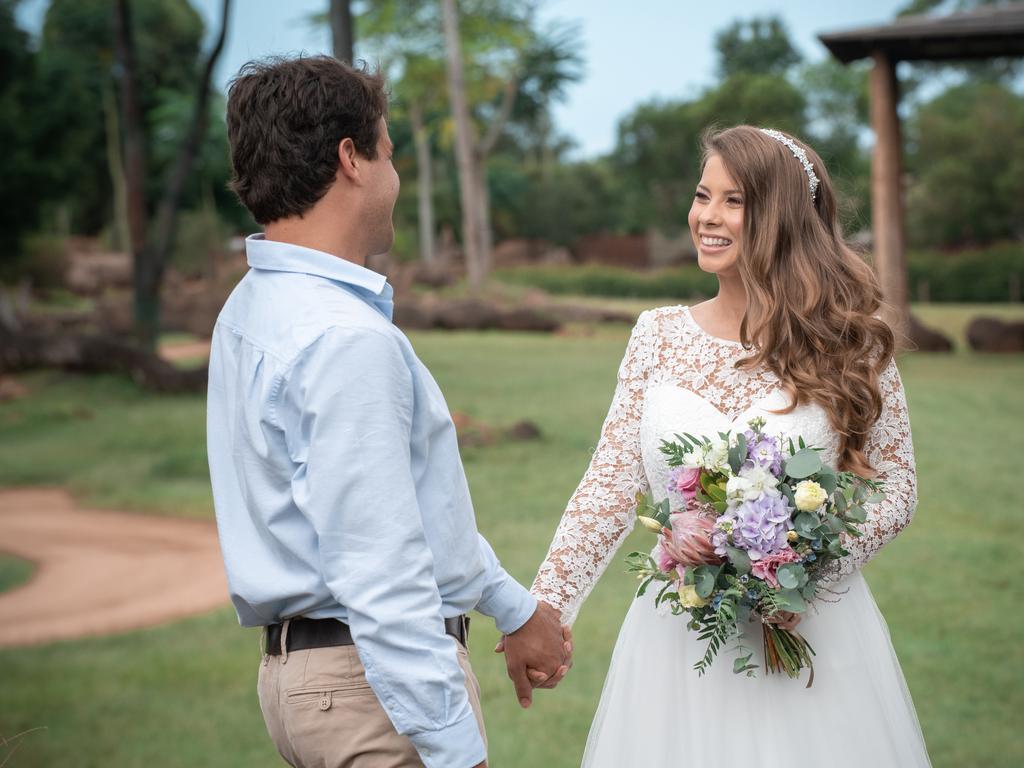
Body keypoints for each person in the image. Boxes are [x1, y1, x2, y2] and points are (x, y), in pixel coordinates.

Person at [206, 55, 571, 768]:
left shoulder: (249, 309)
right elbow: (381, 568)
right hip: (371, 697)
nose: (395, 178)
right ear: (352, 160)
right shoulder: (345, 337)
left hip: (306, 684)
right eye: (390, 153)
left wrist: (510, 607)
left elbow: (406, 513)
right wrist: (457, 750)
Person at [527, 125, 932, 766]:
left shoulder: (851, 339)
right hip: (680, 640)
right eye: (702, 195)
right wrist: (546, 609)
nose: (706, 217)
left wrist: (799, 570)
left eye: (734, 201)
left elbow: (896, 485)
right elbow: (609, 483)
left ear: (781, 216)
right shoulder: (656, 334)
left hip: (813, 630)